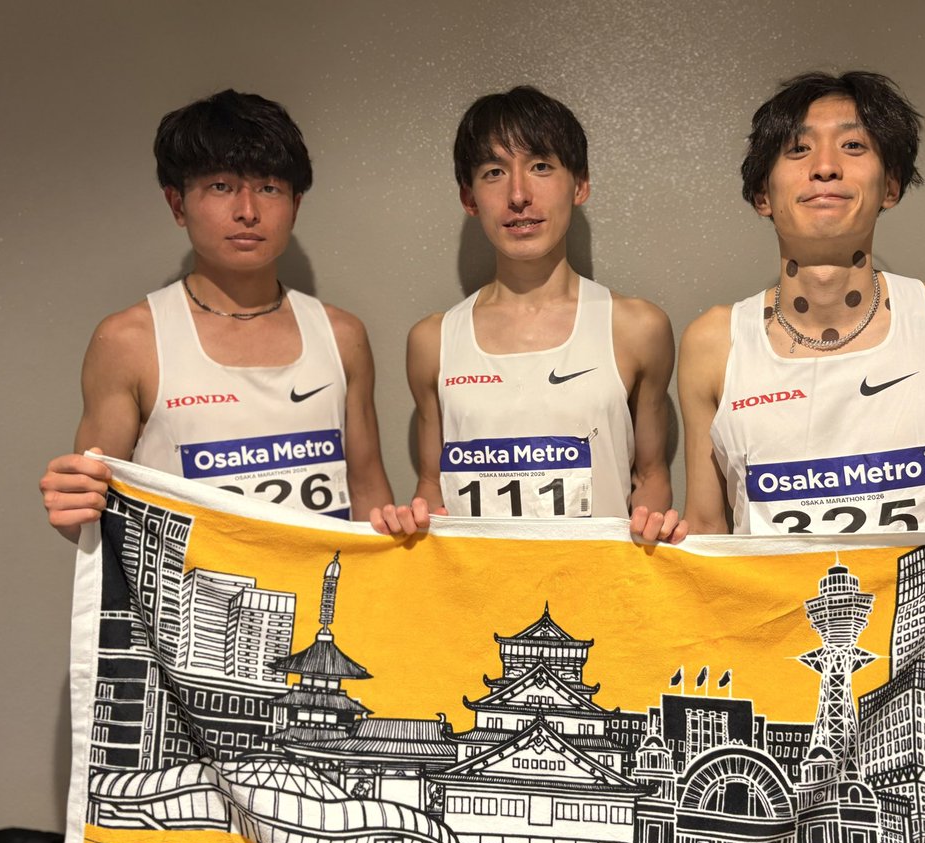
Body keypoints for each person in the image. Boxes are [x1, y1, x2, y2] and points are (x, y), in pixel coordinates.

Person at [678, 71, 925, 586]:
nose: (825, 167)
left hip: (910, 626)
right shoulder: (713, 343)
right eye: (798, 149)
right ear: (762, 194)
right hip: (764, 627)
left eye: (853, 145)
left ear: (890, 186)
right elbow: (707, 527)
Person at [40, 89, 394, 540]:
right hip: (191, 589)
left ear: (295, 206)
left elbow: (367, 492)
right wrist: (73, 509)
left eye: (269, 188)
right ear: (177, 204)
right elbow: (90, 519)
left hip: (326, 586)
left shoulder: (342, 335)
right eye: (221, 187)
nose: (247, 212)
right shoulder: (130, 340)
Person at [373, 85, 683, 542]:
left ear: (580, 185)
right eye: (494, 172)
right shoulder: (433, 340)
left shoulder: (637, 328)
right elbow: (432, 485)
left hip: (596, 581)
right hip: (476, 582)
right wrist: (413, 522)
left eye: (540, 166)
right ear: (469, 198)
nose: (518, 195)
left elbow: (651, 476)